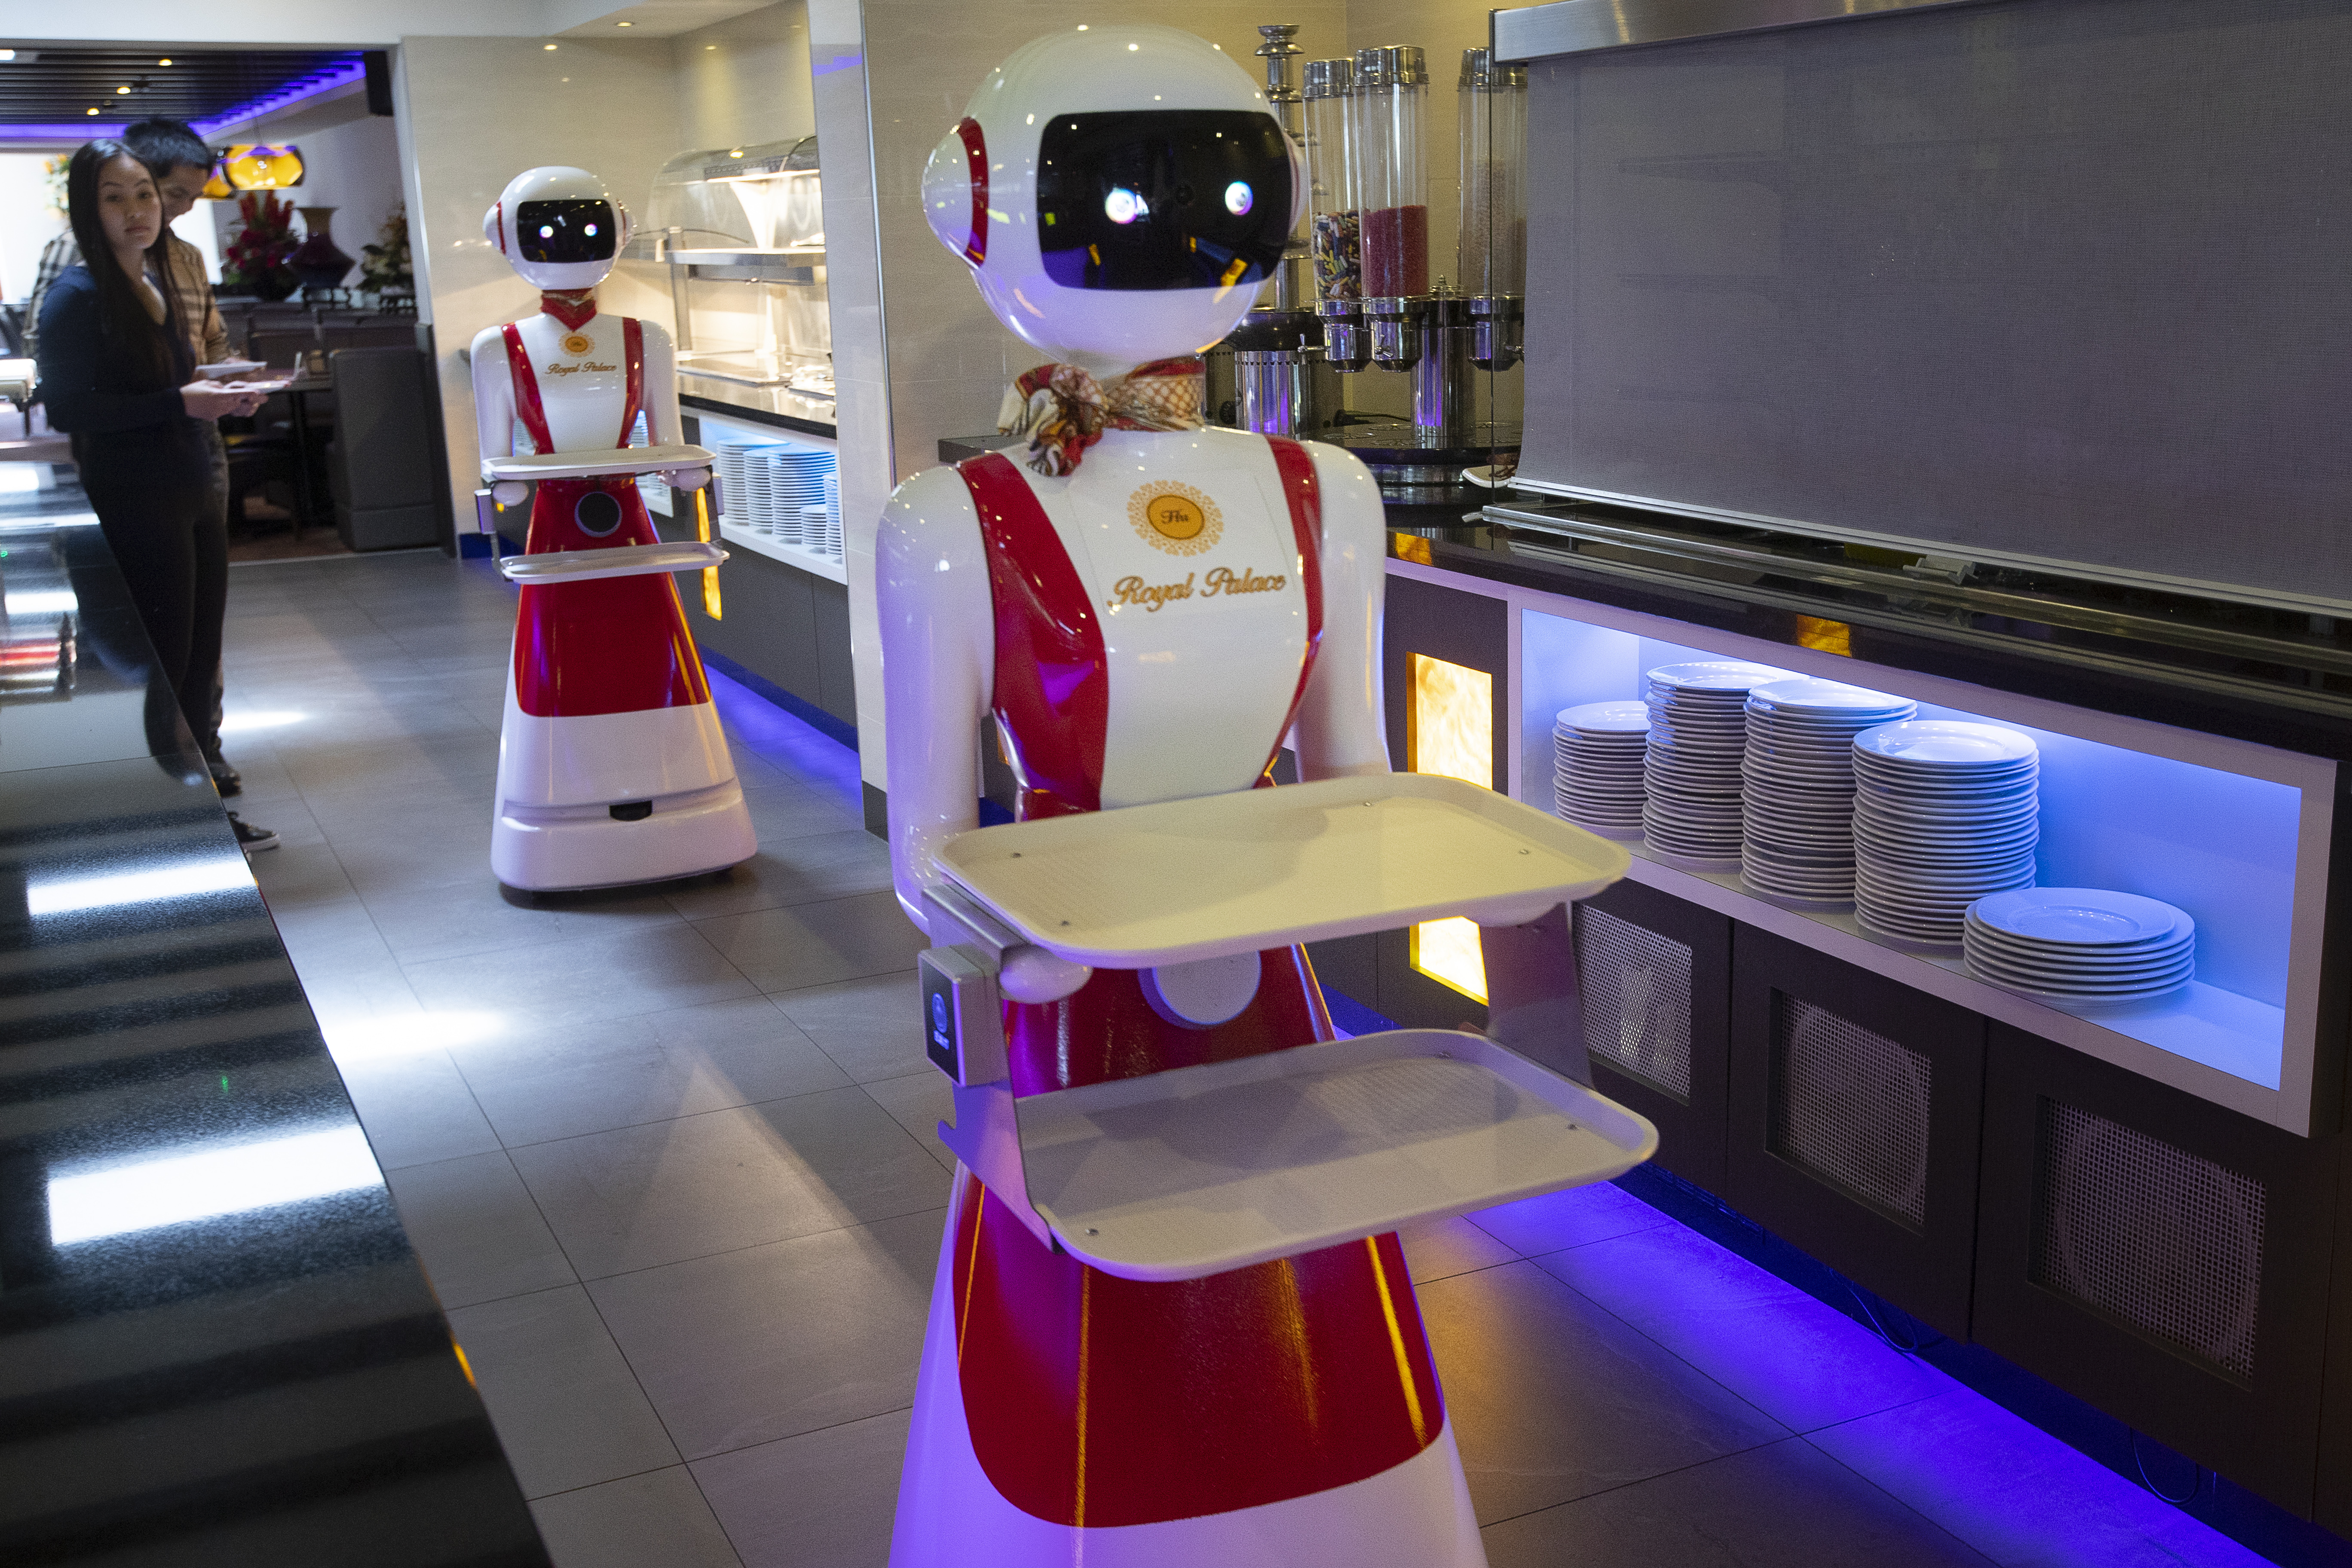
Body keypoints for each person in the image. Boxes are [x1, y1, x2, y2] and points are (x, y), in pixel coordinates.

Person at [34, 140, 277, 852]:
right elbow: (70, 409)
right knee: (162, 665)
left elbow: (170, 389)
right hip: (133, 498)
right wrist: (180, 402)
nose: (137, 211)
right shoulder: (75, 296)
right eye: (115, 197)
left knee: (200, 660)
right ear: (89, 207)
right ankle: (168, 816)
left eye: (143, 193)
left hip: (190, 487)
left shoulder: (158, 282)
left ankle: (197, 809)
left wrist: (219, 397)